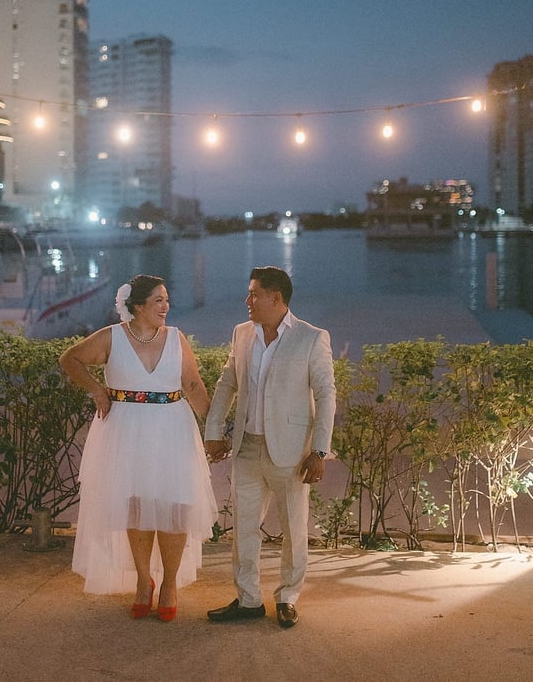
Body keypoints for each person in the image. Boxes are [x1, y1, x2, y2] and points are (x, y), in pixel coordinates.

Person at [59, 274, 217, 622]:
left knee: (175, 507)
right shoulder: (111, 337)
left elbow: (192, 384)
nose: (166, 306)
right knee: (137, 508)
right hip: (126, 431)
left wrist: (217, 430)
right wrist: (96, 390)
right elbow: (69, 359)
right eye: (158, 300)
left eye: (167, 299)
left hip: (172, 429)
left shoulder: (176, 339)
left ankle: (170, 585)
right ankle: (144, 582)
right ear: (137, 306)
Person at [204, 265, 336, 629]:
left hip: (293, 452)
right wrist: (213, 430)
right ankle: (248, 600)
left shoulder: (311, 337)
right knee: (243, 528)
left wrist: (319, 450)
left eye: (254, 294)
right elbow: (226, 383)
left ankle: (288, 597)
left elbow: (326, 395)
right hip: (247, 447)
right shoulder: (242, 333)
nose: (247, 301)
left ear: (275, 298)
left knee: (295, 528)